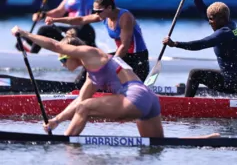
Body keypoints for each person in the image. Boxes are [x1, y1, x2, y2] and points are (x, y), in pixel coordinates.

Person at [10, 25, 220, 139]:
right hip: (148, 99)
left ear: (73, 52)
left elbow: (56, 45)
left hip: (134, 96)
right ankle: (205, 140)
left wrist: (25, 33)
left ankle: (66, 145)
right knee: (157, 145)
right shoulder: (93, 75)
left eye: (64, 59)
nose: (62, 62)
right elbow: (77, 103)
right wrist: (56, 120)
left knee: (85, 107)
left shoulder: (89, 52)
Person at [45, 0, 150, 82]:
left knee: (131, 87)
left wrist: (110, 64)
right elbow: (81, 19)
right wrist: (55, 19)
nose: (96, 14)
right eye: (94, 11)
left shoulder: (125, 17)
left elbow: (124, 46)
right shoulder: (103, 16)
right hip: (123, 56)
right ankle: (77, 89)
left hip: (138, 58)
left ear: (109, 8)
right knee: (91, 63)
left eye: (98, 11)